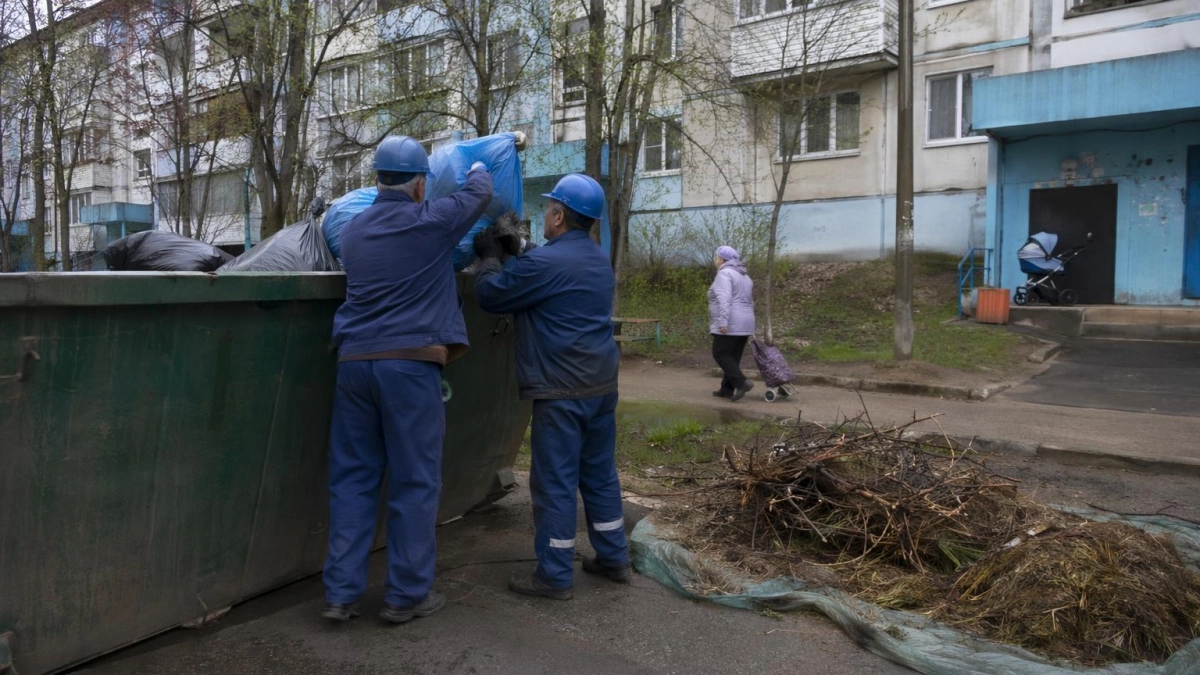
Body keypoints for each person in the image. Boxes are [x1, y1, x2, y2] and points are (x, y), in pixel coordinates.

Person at [322, 135, 495, 624]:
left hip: (354, 366)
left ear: (378, 178)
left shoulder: (352, 232)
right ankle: (406, 595)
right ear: (421, 184)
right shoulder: (431, 222)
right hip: (409, 366)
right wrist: (478, 161)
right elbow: (478, 193)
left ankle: (340, 594)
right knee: (415, 481)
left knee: (352, 480)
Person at [473, 173, 630, 600]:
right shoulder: (597, 259)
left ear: (559, 215)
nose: (545, 214)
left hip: (561, 391)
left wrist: (489, 257)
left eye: (548, 208)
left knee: (555, 482)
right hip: (600, 385)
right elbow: (549, 266)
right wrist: (520, 248)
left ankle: (555, 575)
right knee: (598, 475)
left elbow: (491, 296)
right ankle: (615, 558)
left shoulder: (547, 265)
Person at [709, 246, 756, 402]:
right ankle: (726, 389)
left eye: (717, 257)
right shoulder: (745, 276)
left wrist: (723, 321)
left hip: (731, 320)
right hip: (746, 321)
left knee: (720, 353)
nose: (715, 260)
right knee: (733, 356)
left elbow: (724, 299)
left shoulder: (724, 274)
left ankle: (742, 383)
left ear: (722, 259)